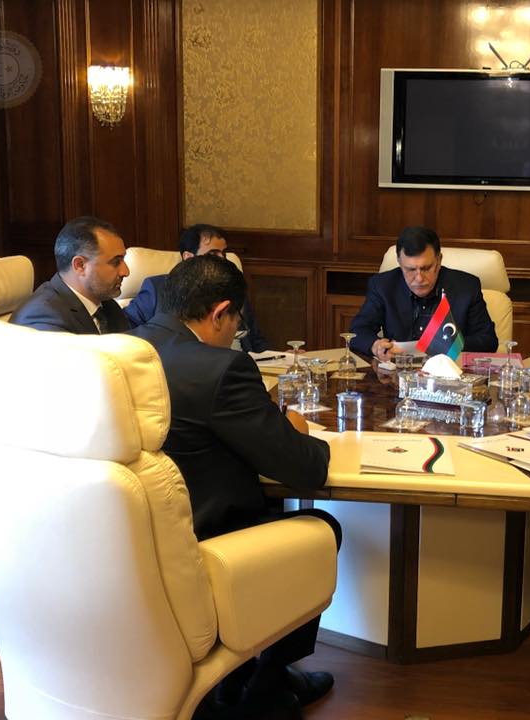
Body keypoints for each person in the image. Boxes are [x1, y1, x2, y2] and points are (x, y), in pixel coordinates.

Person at [129, 255, 337, 719]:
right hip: (204, 540)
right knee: (321, 526)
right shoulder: (221, 369)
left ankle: (238, 679)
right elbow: (305, 469)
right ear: (221, 312)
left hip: (132, 541)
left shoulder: (119, 350)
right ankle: (268, 687)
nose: (236, 332)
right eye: (237, 321)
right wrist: (296, 428)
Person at [349, 226, 498, 361]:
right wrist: (375, 345)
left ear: (438, 261)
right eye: (410, 270)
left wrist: (447, 345)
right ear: (400, 263)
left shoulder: (466, 287)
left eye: (426, 268)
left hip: (448, 373)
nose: (419, 278)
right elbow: (358, 331)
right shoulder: (383, 286)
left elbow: (488, 341)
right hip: (399, 374)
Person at [124, 223, 269, 352]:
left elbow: (256, 340)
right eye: (213, 254)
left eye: (223, 253)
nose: (222, 259)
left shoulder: (233, 287)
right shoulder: (158, 288)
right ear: (188, 257)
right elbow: (127, 331)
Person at [11, 216, 131, 334]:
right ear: (80, 265)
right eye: (116, 262)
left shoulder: (107, 305)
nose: (126, 272)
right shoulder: (42, 315)